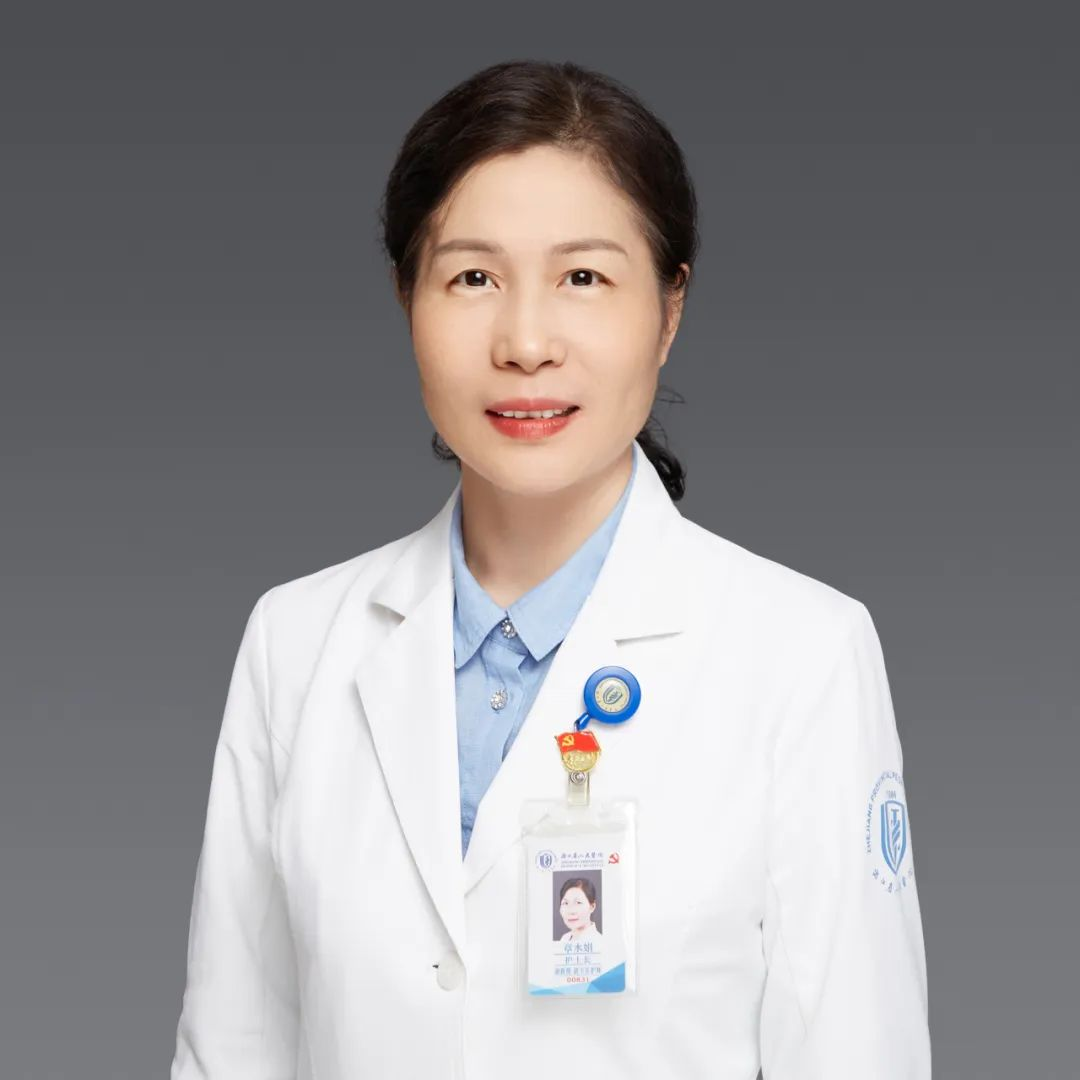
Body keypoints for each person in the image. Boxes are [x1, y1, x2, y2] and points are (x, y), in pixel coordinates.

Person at [170, 59, 931, 1079]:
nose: (525, 342)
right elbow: (230, 1052)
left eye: (583, 278)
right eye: (473, 278)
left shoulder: (802, 656)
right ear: (407, 297)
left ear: (668, 310)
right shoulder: (297, 642)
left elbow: (858, 1053)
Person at [558, 877, 603, 943]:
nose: (571, 911)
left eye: (578, 903)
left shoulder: (599, 942)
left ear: (592, 907)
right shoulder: (564, 938)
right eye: (566, 903)